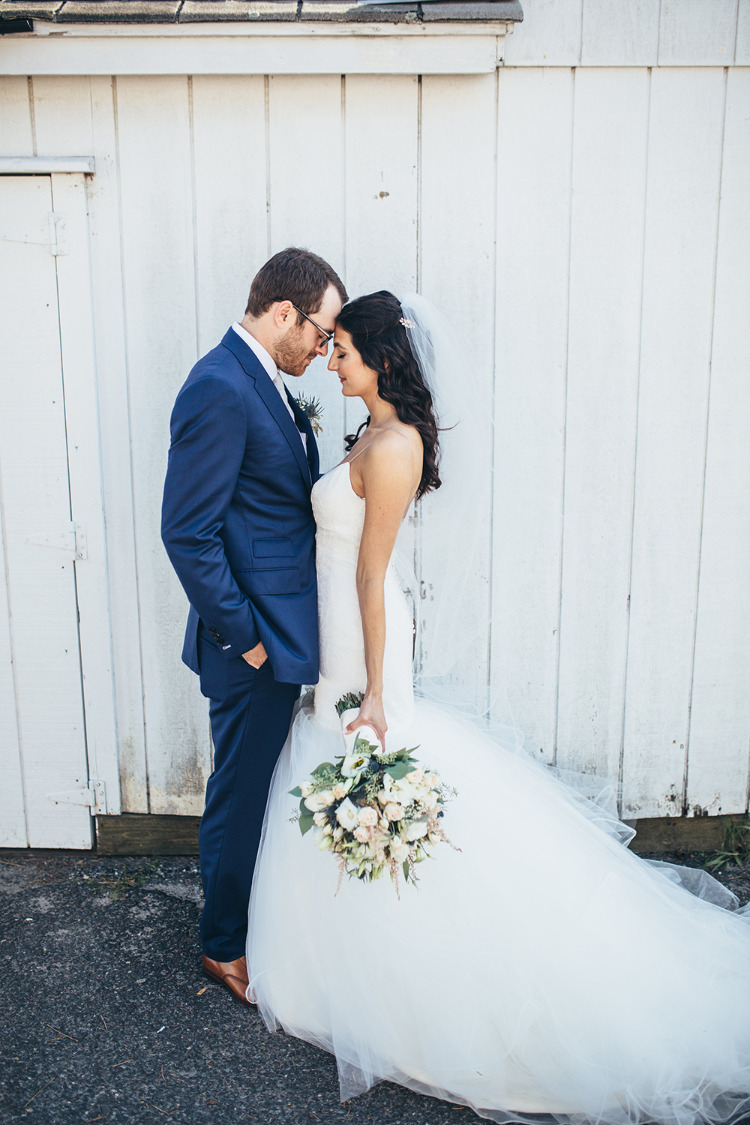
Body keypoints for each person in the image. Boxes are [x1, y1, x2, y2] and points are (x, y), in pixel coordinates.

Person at [245, 290, 750, 1125]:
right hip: (333, 626)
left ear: (378, 356)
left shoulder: (396, 443)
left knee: (370, 761)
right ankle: (341, 967)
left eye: (341, 350)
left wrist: (374, 686)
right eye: (328, 348)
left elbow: (372, 576)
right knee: (338, 771)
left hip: (360, 631)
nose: (330, 360)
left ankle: (413, 988)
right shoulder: (369, 432)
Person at [161, 247, 347, 1006]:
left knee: (262, 789)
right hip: (251, 645)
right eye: (321, 331)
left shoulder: (261, 379)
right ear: (282, 314)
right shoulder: (218, 386)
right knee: (239, 794)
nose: (324, 347)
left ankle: (244, 921)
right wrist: (250, 638)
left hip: (282, 634)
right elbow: (187, 532)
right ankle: (223, 944)